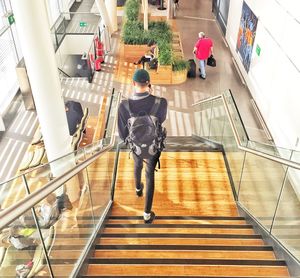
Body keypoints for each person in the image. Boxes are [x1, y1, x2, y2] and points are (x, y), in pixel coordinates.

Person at [117, 69, 167, 224]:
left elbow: (122, 134)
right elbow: (161, 120)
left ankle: (138, 189)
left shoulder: (123, 106)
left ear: (133, 84)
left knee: (138, 164)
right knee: (150, 174)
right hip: (153, 146)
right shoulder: (161, 102)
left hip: (136, 147)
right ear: (149, 84)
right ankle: (146, 214)